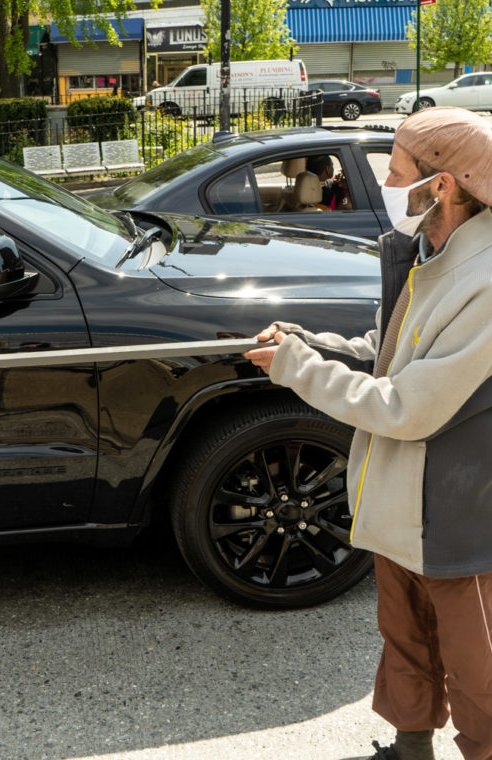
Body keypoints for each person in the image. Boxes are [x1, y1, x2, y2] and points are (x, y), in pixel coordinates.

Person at [245, 107, 492, 760]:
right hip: (399, 508)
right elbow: (384, 355)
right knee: (404, 641)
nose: (385, 182)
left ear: (442, 186)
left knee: (480, 676)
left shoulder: (486, 282)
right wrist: (305, 344)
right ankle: (411, 751)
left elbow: (408, 406)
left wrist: (300, 371)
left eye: (398, 171)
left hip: (462, 521)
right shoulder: (425, 253)